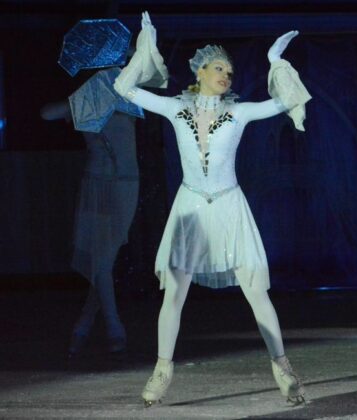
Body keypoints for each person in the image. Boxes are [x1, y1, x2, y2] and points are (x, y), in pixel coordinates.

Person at [113, 13, 310, 406]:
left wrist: (274, 60)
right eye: (219, 68)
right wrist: (146, 44)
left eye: (230, 72)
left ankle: (283, 368)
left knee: (256, 290)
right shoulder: (176, 108)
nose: (226, 75)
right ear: (199, 71)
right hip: (190, 207)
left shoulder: (239, 113)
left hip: (229, 205)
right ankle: (162, 370)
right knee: (174, 292)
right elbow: (124, 87)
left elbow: (287, 100)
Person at [41, 100, 138, 359]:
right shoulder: (86, 99)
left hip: (124, 184)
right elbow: (47, 113)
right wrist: (80, 100)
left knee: (104, 260)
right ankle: (113, 326)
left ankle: (84, 321)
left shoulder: (125, 96)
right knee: (102, 262)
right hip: (95, 184)